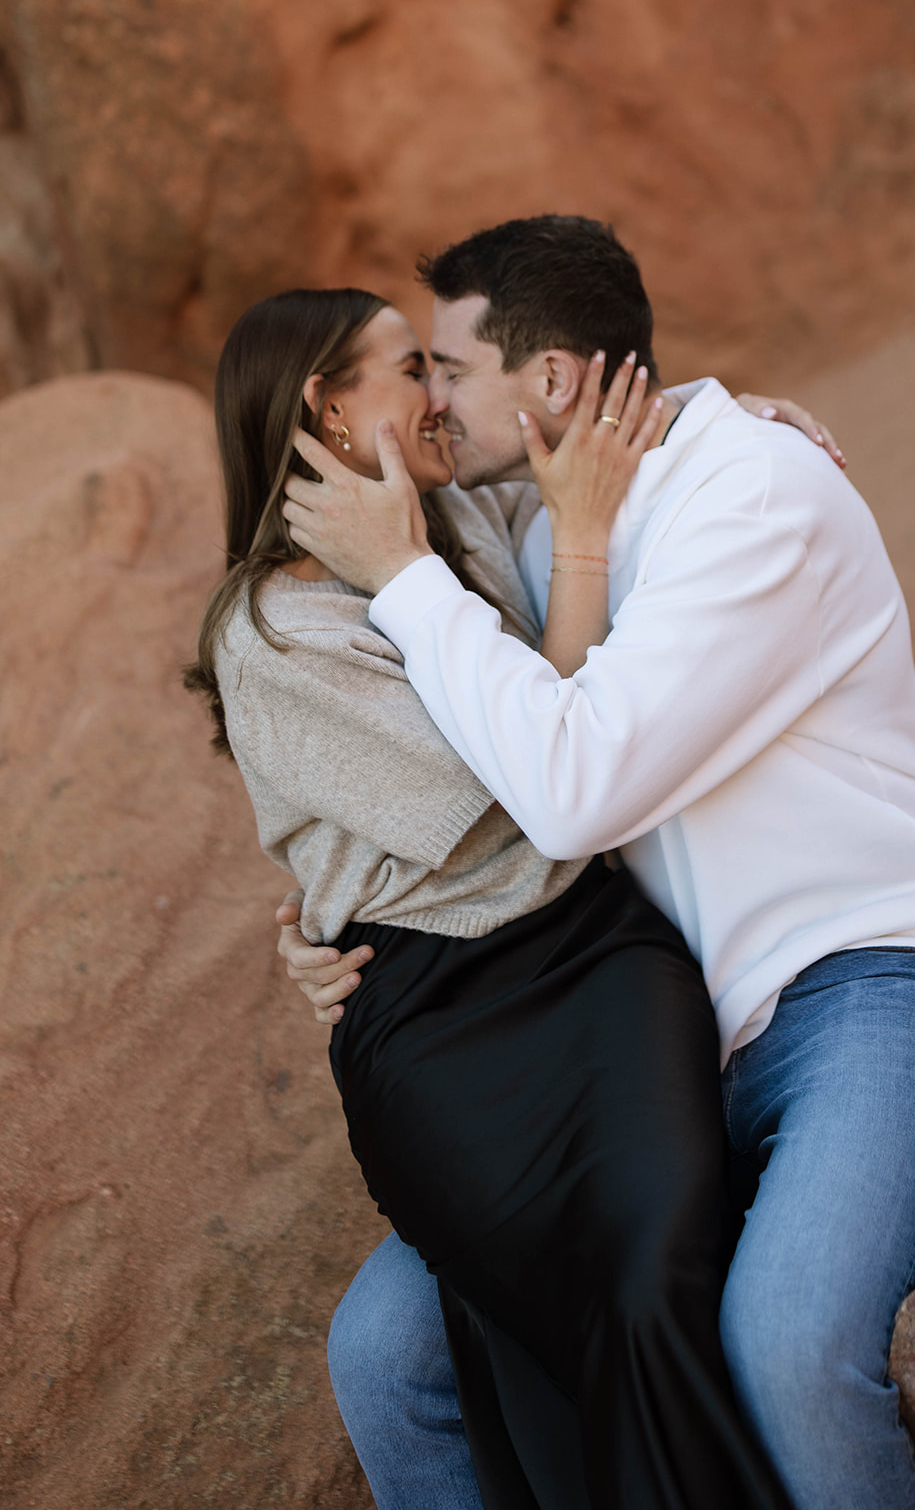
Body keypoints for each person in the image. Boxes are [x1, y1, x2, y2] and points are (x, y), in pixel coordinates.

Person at [279, 215, 915, 1510]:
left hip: (869, 985)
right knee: (383, 1357)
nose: (433, 405)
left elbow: (572, 790)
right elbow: (456, 771)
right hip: (655, 1045)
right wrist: (326, 924)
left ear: (552, 380)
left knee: (787, 1350)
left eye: (449, 370)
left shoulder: (756, 496)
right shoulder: (532, 519)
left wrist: (399, 576)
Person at [185, 284, 793, 1510]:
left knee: (656, 1268)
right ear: (327, 406)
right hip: (448, 1026)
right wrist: (550, 555)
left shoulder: (459, 510)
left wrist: (739, 423)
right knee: (543, 1324)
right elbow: (532, 780)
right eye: (410, 368)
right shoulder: (275, 631)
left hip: (600, 961)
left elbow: (607, 455)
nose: (440, 394)